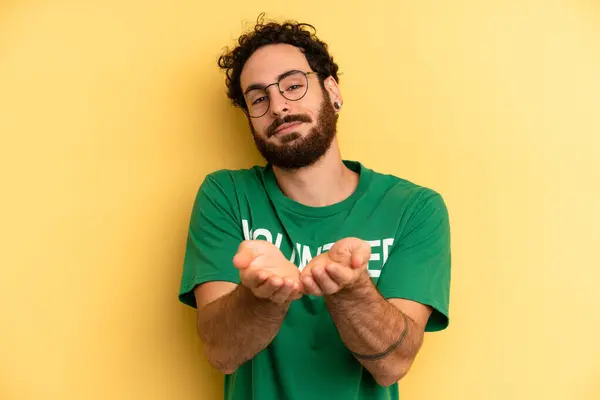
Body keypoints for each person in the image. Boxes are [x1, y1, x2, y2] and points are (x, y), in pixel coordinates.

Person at [178, 15, 452, 400]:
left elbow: (392, 365)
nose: (278, 107)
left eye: (293, 85)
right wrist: (262, 295)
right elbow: (222, 353)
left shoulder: (414, 208)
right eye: (258, 98)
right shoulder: (225, 195)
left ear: (333, 92)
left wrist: (351, 289)